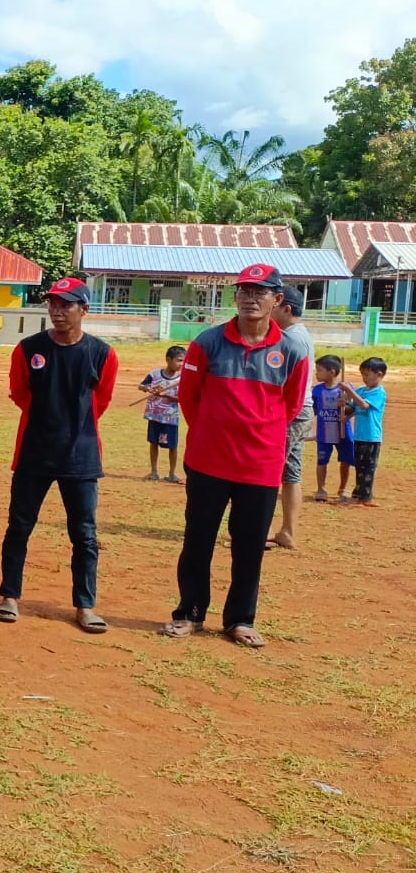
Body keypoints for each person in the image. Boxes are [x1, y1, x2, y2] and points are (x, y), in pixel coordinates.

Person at [163, 263, 310, 649]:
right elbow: (189, 400)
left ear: (277, 299)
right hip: (208, 462)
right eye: (244, 291)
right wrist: (215, 433)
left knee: (249, 546)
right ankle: (189, 613)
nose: (250, 298)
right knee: (198, 540)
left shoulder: (292, 350)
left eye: (260, 292)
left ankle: (240, 620)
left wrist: (258, 436)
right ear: (235, 296)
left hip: (260, 467)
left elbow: (292, 406)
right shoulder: (207, 343)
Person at [0, 278, 118, 634]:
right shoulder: (27, 348)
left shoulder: (102, 353)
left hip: (81, 456)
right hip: (34, 452)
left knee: (84, 534)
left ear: (84, 309)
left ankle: (85, 604)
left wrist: (73, 426)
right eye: (53, 304)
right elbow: (20, 392)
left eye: (66, 305)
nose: (57, 311)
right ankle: (9, 596)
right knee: (19, 527)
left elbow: (102, 400)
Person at [268, 287, 313, 548]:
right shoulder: (299, 334)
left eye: (273, 305)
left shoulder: (290, 339)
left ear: (286, 309)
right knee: (290, 473)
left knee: (269, 469)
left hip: (292, 412)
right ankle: (287, 531)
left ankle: (256, 529)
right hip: (302, 410)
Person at [342, 357, 387, 506]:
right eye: (362, 374)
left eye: (367, 374)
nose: (364, 378)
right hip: (359, 435)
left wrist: (350, 391)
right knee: (359, 465)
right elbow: (353, 407)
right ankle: (358, 492)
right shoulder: (361, 390)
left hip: (372, 437)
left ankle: (366, 497)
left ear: (379, 375)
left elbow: (364, 405)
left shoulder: (379, 393)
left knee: (369, 467)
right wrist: (344, 403)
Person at [311, 355, 354, 502]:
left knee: (346, 460)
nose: (316, 374)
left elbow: (353, 410)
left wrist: (345, 405)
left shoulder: (345, 389)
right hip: (324, 433)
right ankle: (321, 489)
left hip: (343, 433)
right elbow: (313, 410)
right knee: (322, 461)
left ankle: (343, 488)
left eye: (319, 370)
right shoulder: (316, 391)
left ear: (332, 371)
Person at [140, 345, 185, 483]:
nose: (181, 364)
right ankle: (154, 472)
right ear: (168, 359)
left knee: (172, 446)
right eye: (178, 360)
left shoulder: (181, 380)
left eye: (183, 361)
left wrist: (165, 395)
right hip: (154, 416)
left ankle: (172, 473)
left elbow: (183, 399)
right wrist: (149, 388)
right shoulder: (154, 375)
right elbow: (141, 385)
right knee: (153, 443)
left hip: (170, 417)